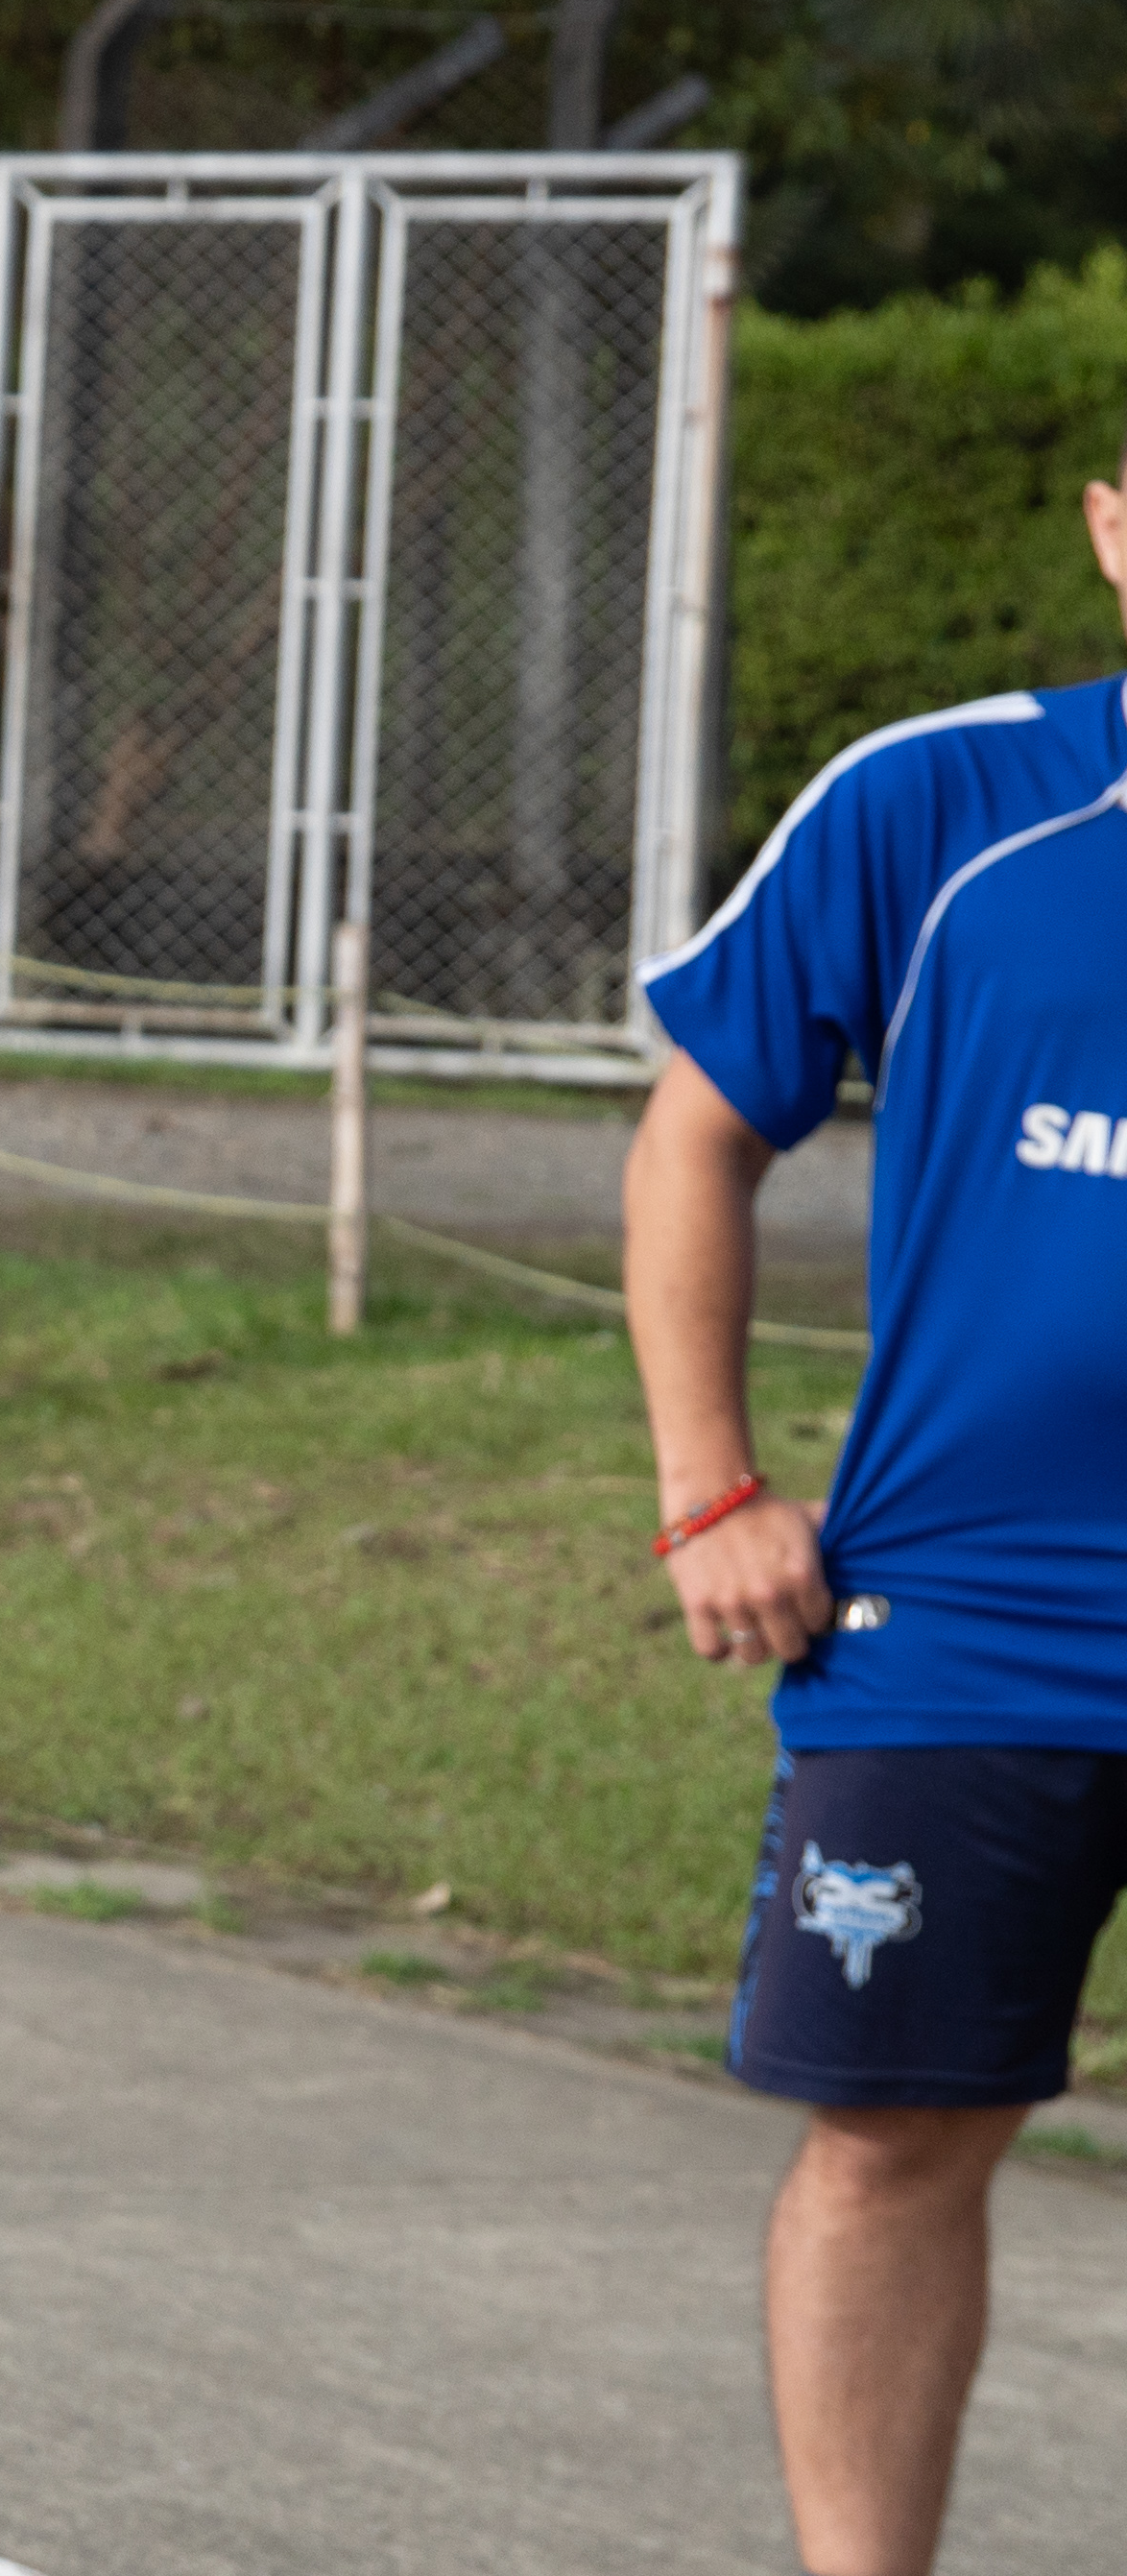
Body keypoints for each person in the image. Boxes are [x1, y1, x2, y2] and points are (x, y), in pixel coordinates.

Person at [629, 451, 1127, 2576]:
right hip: (970, 1621)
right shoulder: (947, 806)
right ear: (1116, 523)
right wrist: (710, 1486)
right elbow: (695, 1134)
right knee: (892, 2138)